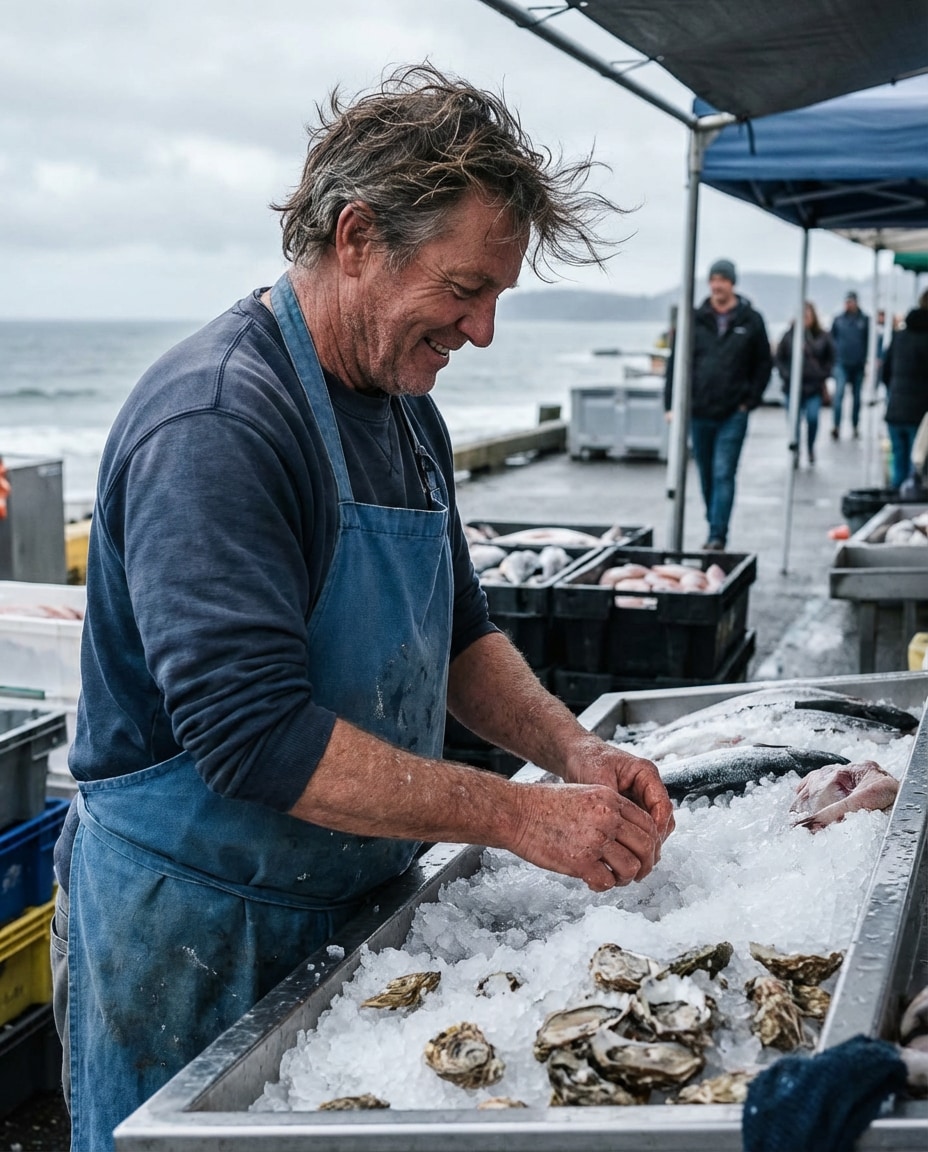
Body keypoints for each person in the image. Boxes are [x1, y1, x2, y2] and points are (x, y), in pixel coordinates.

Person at [51, 64, 675, 1151]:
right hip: (196, 929)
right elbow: (251, 736)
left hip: (347, 902)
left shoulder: (402, 409)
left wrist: (572, 752)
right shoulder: (217, 425)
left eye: (496, 299)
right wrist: (519, 815)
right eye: (463, 289)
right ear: (355, 239)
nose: (480, 331)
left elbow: (463, 638)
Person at [664, 258, 772, 551]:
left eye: (722, 279)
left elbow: (764, 363)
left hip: (733, 412)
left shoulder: (751, 320)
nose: (717, 284)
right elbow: (675, 363)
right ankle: (714, 520)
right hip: (699, 411)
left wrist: (751, 400)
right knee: (706, 474)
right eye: (713, 279)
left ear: (732, 283)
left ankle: (717, 535)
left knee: (724, 471)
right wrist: (670, 405)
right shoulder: (694, 318)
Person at [775, 301, 836, 466]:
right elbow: (779, 358)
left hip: (814, 387)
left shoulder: (822, 336)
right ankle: (796, 450)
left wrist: (823, 374)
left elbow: (831, 357)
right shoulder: (789, 335)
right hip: (792, 387)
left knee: (812, 418)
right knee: (793, 422)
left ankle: (810, 447)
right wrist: (786, 374)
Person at [880, 288, 928, 489]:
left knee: (899, 465)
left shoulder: (899, 336)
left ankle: (895, 505)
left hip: (895, 410)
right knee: (915, 466)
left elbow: (884, 373)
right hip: (919, 413)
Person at [830, 290, 869, 440]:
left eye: (851, 302)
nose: (848, 304)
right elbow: (832, 340)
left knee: (857, 398)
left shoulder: (865, 320)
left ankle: (855, 425)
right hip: (841, 363)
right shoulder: (838, 320)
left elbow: (868, 341)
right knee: (838, 395)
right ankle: (836, 425)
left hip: (858, 365)